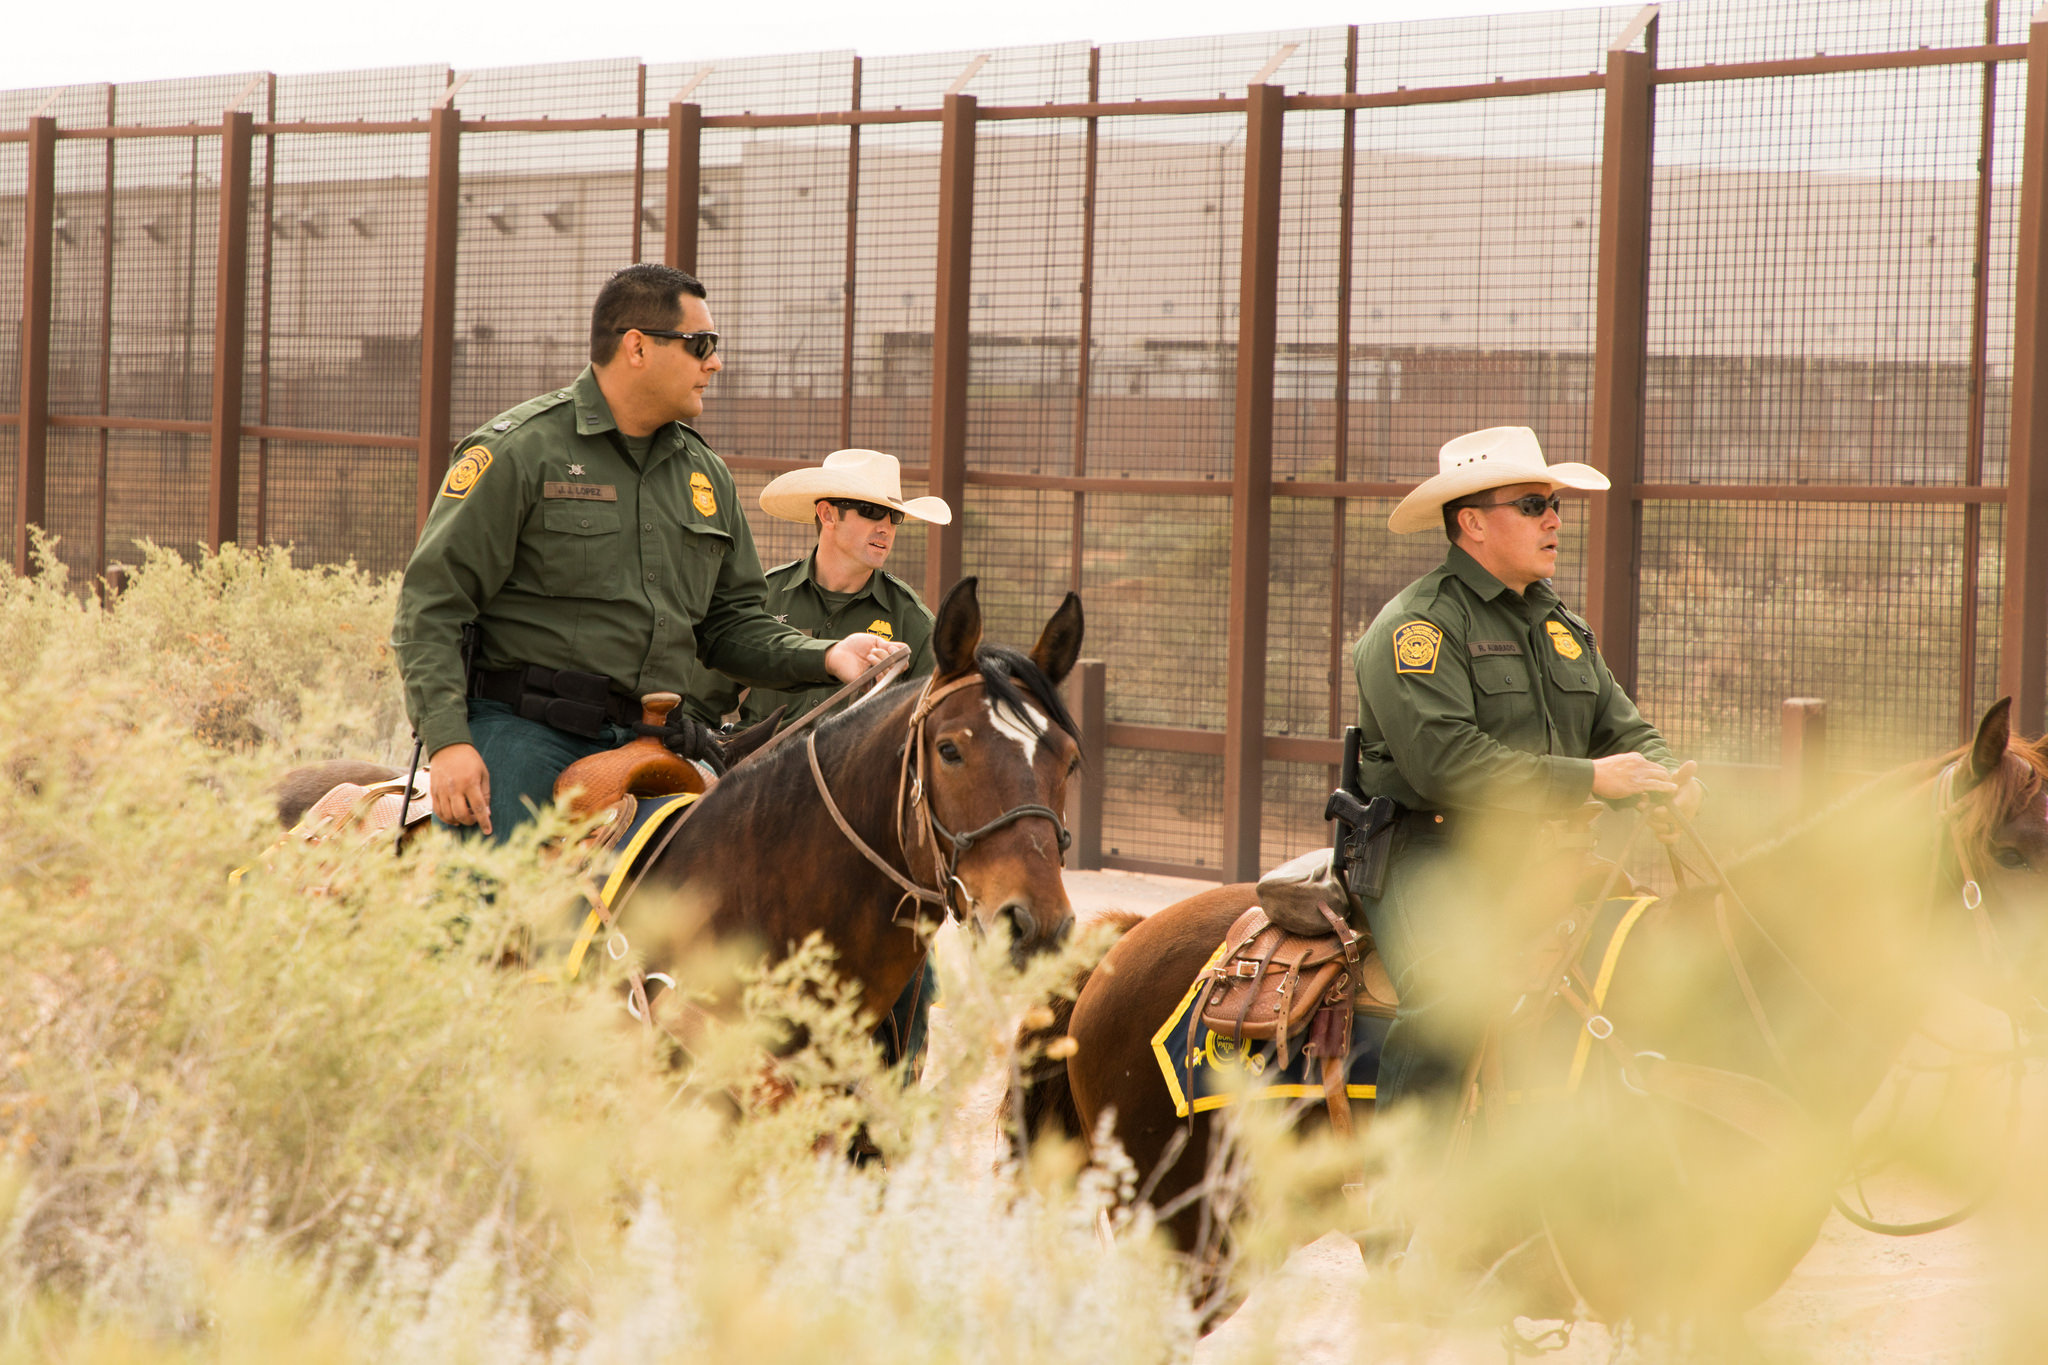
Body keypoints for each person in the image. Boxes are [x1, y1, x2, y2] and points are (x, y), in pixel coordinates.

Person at [392, 264, 904, 840]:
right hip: (522, 741)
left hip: (656, 742)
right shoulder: (520, 451)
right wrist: (451, 742)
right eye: (700, 345)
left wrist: (829, 655)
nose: (715, 362)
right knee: (502, 917)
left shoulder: (705, 474)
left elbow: (731, 627)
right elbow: (432, 606)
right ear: (637, 346)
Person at [1349, 425, 1702, 1110]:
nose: (1554, 519)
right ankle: (1407, 1204)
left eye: (1556, 503)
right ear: (1473, 523)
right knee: (1451, 997)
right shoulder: (1416, 628)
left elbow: (1623, 731)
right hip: (1429, 853)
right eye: (1533, 503)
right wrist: (1594, 782)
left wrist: (1669, 784)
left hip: (1543, 856)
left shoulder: (1560, 629)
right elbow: (1446, 764)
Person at [687, 447, 949, 729]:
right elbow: (695, 708)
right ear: (827, 514)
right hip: (757, 770)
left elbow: (940, 726)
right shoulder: (765, 596)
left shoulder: (913, 623)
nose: (886, 528)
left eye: (894, 516)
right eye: (871, 511)